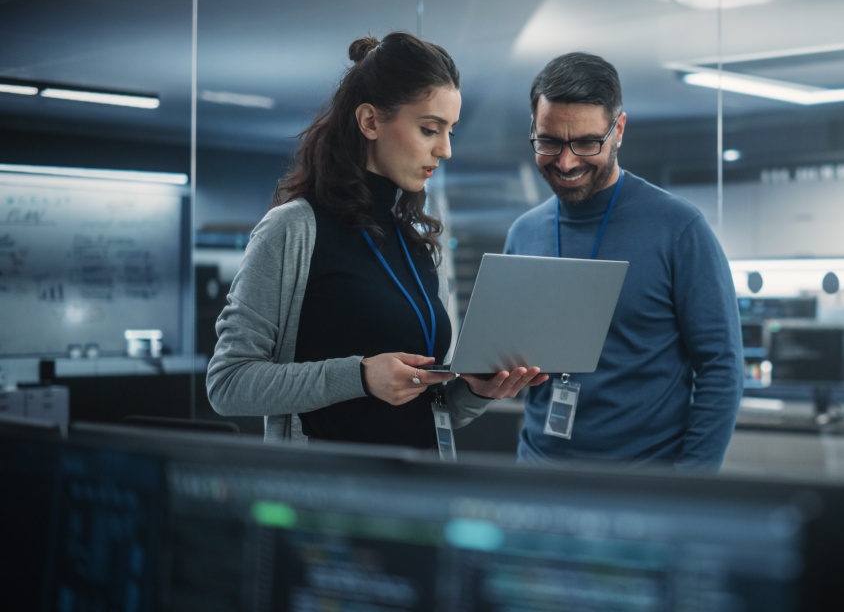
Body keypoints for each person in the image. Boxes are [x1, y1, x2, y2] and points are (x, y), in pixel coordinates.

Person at [207, 31, 545, 447]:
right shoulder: (292, 229)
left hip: (420, 494)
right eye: (429, 129)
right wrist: (361, 376)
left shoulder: (415, 240)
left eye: (450, 132)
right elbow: (228, 383)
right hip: (329, 498)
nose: (445, 150)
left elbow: (431, 412)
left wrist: (476, 391)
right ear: (370, 121)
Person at [503, 52, 743, 471]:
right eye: (549, 142)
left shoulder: (679, 228)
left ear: (619, 131)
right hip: (539, 474)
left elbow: (721, 367)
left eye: (586, 142)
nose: (566, 161)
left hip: (643, 482)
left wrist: (689, 482)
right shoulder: (524, 233)